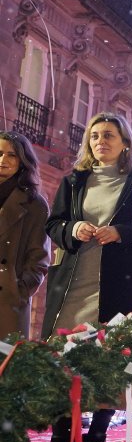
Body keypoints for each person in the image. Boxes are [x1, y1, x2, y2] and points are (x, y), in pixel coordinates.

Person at [38, 112, 132, 442]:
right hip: (74, 283)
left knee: (112, 358)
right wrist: (74, 227)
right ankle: (61, 440)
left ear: (125, 142)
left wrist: (121, 232)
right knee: (67, 357)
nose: (101, 142)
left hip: (121, 284)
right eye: (95, 136)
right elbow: (53, 224)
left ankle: (95, 439)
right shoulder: (74, 180)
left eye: (109, 135)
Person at [0, 131, 49, 339]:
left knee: (4, 367)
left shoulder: (34, 204)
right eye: (0, 153)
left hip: (6, 300)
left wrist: (19, 290)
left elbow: (39, 258)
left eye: (11, 155)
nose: (3, 160)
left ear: (22, 161)